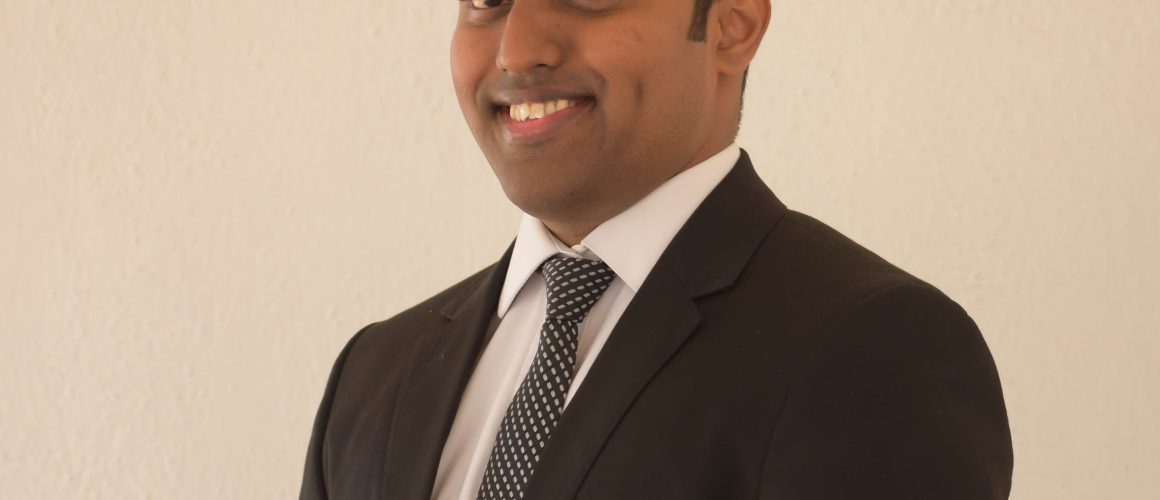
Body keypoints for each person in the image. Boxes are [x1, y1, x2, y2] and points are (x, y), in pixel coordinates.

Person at [299, 0, 1013, 497]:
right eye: (487, 0)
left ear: (732, 26)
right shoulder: (375, 373)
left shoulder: (875, 349)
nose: (518, 49)